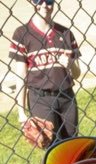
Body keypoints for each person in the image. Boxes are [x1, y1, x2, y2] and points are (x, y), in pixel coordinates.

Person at [9, 0, 81, 142]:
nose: (44, 5)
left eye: (48, 1)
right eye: (38, 1)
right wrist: (21, 112)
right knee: (51, 146)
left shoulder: (66, 33)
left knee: (72, 142)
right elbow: (21, 76)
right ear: (31, 3)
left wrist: (70, 64)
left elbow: (77, 74)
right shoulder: (22, 34)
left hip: (67, 97)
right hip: (40, 99)